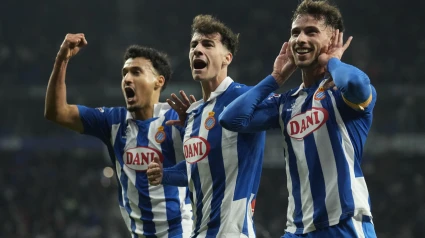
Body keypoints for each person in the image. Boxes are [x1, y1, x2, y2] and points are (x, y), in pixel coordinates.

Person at [219, 0, 377, 237]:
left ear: (331, 39)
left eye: (311, 32)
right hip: (297, 230)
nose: (300, 39)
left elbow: (356, 84)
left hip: (344, 225)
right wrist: (275, 78)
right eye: (295, 33)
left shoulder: (340, 95)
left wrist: (332, 61)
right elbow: (231, 119)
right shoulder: (286, 103)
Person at [44, 33, 192, 238]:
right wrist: (62, 58)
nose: (127, 79)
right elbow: (56, 112)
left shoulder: (179, 118)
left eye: (136, 72)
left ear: (158, 81)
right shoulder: (112, 120)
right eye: (124, 73)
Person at [147, 15, 266, 238]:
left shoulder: (244, 97)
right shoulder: (193, 113)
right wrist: (165, 174)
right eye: (194, 45)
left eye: (207, 44)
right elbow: (196, 169)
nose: (197, 50)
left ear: (227, 58)